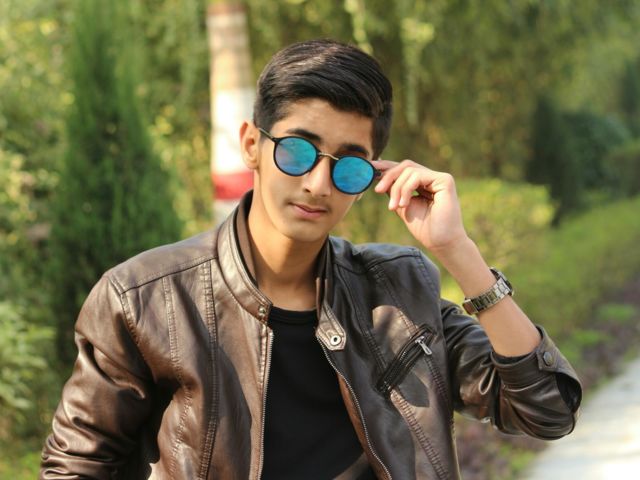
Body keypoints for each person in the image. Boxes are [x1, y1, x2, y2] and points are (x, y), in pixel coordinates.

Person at [41, 39, 581, 480]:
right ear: (251, 144)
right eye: (298, 150)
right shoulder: (145, 299)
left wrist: (457, 250)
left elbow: (546, 410)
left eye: (349, 165)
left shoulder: (397, 293)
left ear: (373, 175)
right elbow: (76, 468)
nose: (319, 184)